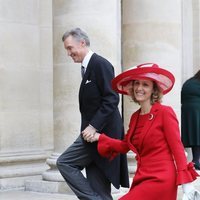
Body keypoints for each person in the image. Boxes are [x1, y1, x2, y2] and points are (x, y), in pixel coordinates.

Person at [83, 63, 199, 200]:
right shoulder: (135, 117)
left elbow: (177, 148)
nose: (139, 88)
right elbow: (125, 145)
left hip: (161, 179)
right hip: (142, 177)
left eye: (145, 85)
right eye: (137, 83)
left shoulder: (164, 112)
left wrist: (186, 184)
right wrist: (100, 138)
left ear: (153, 90)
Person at [56, 27, 129, 200]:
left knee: (65, 162)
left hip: (101, 135)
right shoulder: (87, 67)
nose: (68, 53)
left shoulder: (100, 64)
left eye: (69, 48)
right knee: (100, 189)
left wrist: (93, 126)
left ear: (82, 43)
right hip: (93, 137)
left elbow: (111, 99)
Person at [181, 70, 200, 170]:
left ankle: (196, 160)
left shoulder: (190, 82)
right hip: (196, 111)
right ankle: (196, 161)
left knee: (195, 136)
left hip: (188, 111)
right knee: (197, 136)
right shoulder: (195, 83)